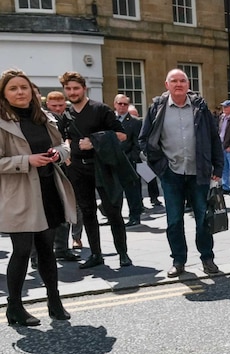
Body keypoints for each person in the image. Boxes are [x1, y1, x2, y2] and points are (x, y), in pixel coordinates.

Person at [0, 69, 76, 325]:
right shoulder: (1, 121)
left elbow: (63, 145)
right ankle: (14, 307)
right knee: (21, 250)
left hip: (48, 189)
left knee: (47, 249)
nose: (20, 92)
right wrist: (27, 160)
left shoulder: (43, 117)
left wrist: (58, 153)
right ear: (4, 94)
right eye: (13, 88)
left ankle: (54, 301)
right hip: (19, 194)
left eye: (23, 87)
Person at [139, 68, 223, 278]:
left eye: (182, 81)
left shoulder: (200, 107)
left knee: (203, 219)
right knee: (174, 221)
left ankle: (207, 258)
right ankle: (178, 260)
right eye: (174, 81)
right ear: (166, 85)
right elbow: (144, 140)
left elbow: (214, 139)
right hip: (171, 174)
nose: (178, 84)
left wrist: (218, 167)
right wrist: (160, 168)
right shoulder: (156, 108)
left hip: (199, 173)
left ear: (188, 85)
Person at [58, 71, 132, 269]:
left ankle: (123, 253)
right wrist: (67, 153)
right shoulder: (66, 113)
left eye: (76, 88)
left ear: (84, 88)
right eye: (68, 89)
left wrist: (94, 142)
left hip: (102, 167)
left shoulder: (101, 109)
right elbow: (66, 137)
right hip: (77, 170)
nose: (72, 92)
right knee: (88, 212)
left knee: (113, 211)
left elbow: (121, 135)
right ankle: (96, 254)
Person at [44, 90, 84, 258]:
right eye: (54, 106)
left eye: (61, 105)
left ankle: (64, 247)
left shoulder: (68, 118)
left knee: (70, 207)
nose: (58, 109)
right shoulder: (42, 119)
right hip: (48, 168)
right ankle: (37, 256)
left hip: (71, 168)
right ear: (47, 105)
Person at [114, 93, 144, 227]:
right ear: (115, 104)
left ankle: (134, 216)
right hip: (112, 161)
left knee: (132, 191)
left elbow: (138, 142)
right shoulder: (110, 120)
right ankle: (114, 216)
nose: (122, 106)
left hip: (128, 161)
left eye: (125, 104)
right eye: (119, 104)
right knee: (114, 191)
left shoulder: (135, 121)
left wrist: (132, 157)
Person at [128, 105, 162, 208]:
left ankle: (154, 197)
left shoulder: (141, 123)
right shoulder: (125, 124)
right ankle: (139, 202)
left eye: (135, 115)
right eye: (132, 115)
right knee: (135, 181)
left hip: (141, 156)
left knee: (150, 177)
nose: (134, 117)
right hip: (132, 157)